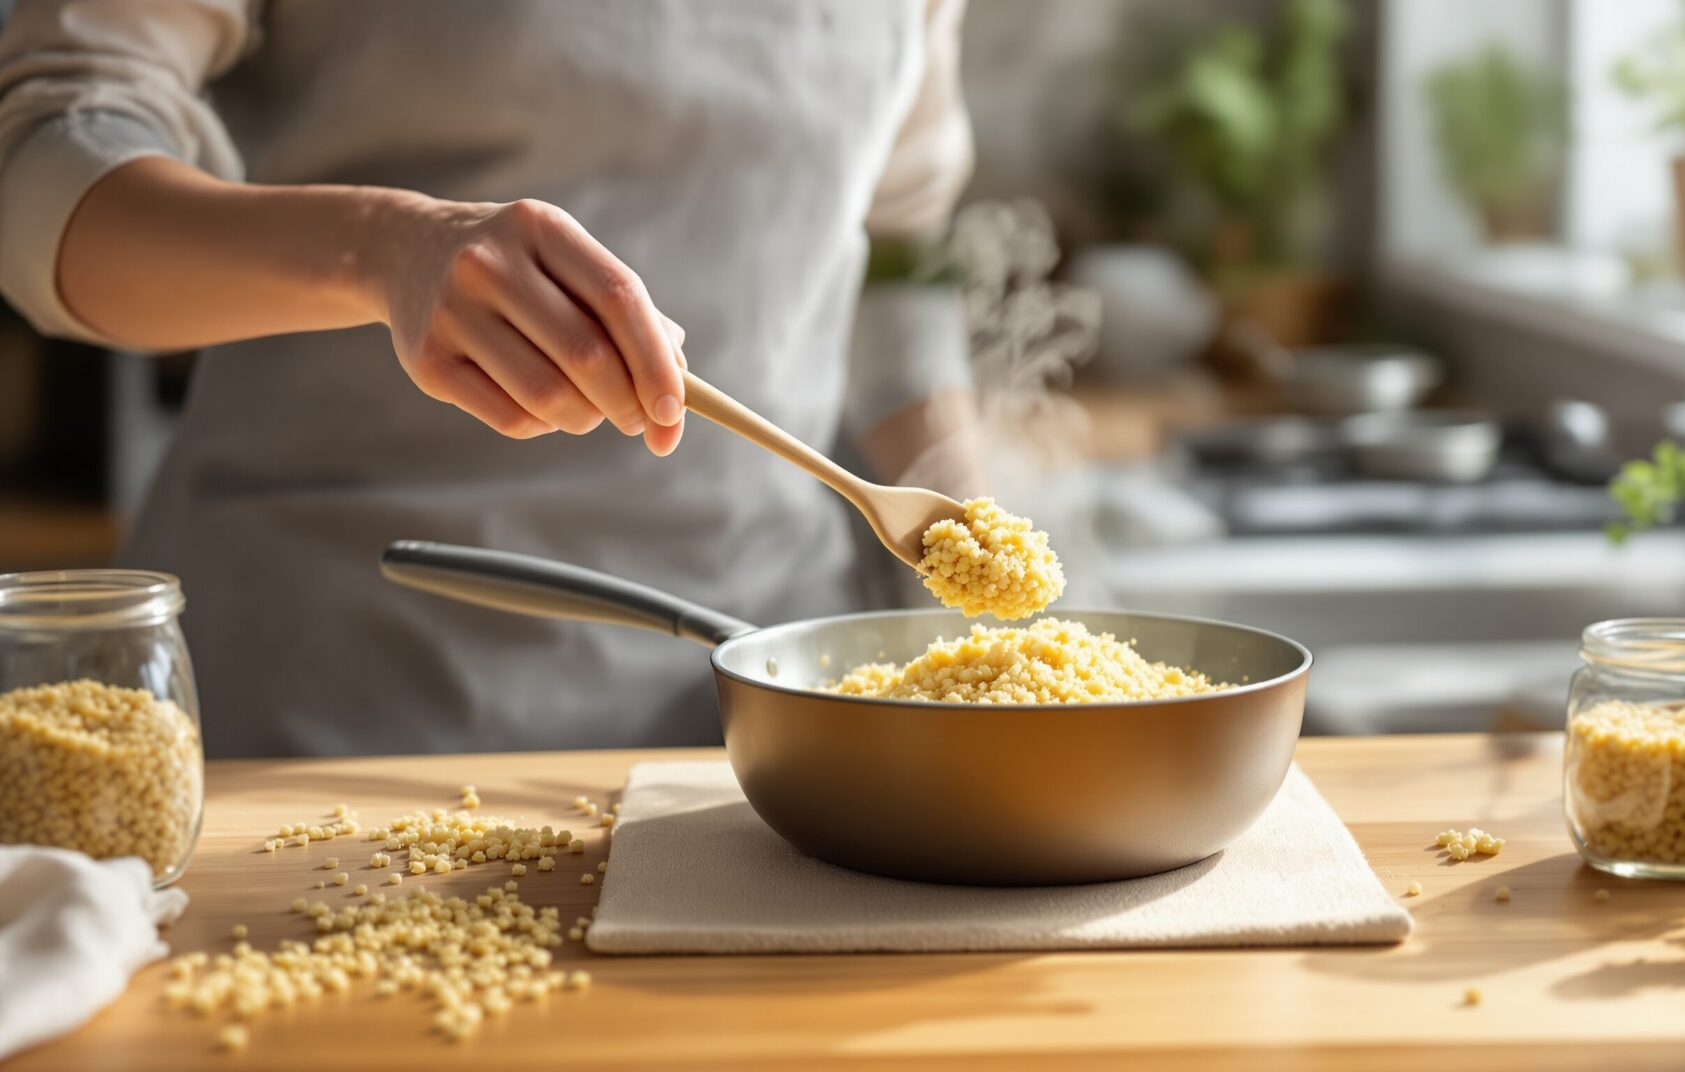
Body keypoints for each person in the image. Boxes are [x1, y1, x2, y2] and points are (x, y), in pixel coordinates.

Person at [0, 0, 979, 757]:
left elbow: (899, 250)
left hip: (752, 710)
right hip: (339, 700)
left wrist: (973, 531)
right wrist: (386, 250)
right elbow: (41, 169)